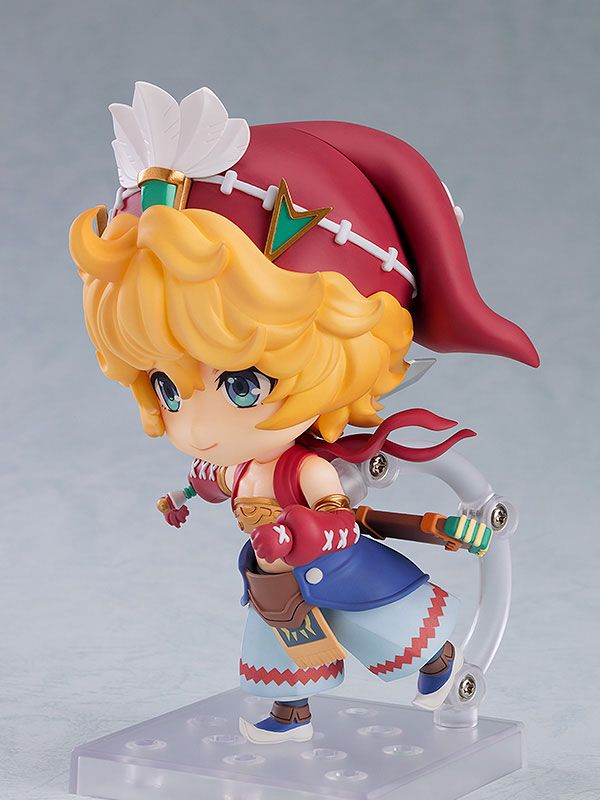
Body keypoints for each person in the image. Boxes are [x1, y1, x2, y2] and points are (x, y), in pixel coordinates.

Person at [70, 82, 538, 744]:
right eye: (168, 389)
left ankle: (436, 663)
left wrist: (301, 536)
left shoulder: (304, 471)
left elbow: (339, 519)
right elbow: (210, 480)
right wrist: (182, 496)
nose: (196, 423)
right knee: (273, 639)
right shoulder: (237, 466)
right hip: (275, 576)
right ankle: (289, 712)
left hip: (334, 566)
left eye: (240, 384)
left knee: (385, 625)